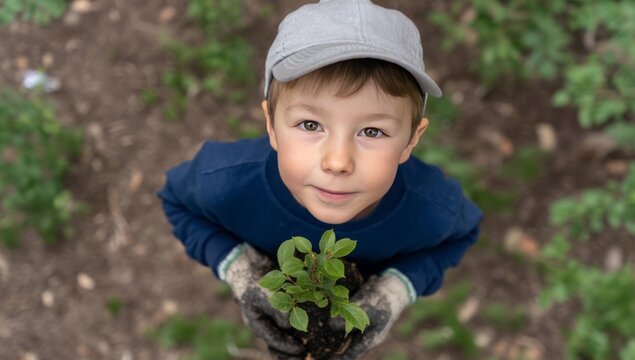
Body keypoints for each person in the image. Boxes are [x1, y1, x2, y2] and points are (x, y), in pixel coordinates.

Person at [158, 0, 482, 358]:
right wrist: (236, 266)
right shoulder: (224, 180)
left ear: (410, 139)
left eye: (372, 131)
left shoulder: (432, 207)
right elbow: (176, 201)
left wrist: (397, 288)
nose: (338, 161)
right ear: (271, 124)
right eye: (310, 125)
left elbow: (461, 235)